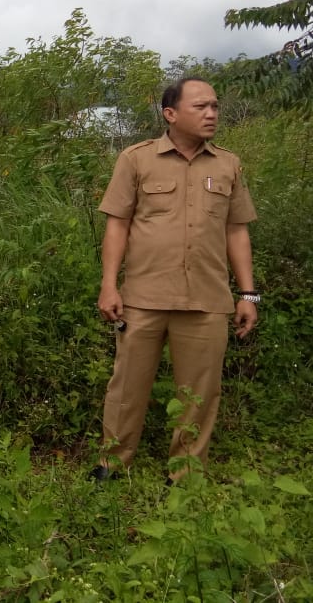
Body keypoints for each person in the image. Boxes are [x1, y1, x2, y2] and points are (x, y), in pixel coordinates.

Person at [92, 77, 259, 483]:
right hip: (143, 298)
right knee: (126, 387)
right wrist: (109, 285)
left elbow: (236, 231)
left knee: (199, 395)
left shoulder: (227, 164)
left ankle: (185, 473)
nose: (212, 113)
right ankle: (113, 464)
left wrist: (248, 294)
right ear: (170, 114)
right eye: (201, 106)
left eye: (215, 106)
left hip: (206, 300)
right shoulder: (136, 159)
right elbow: (118, 225)